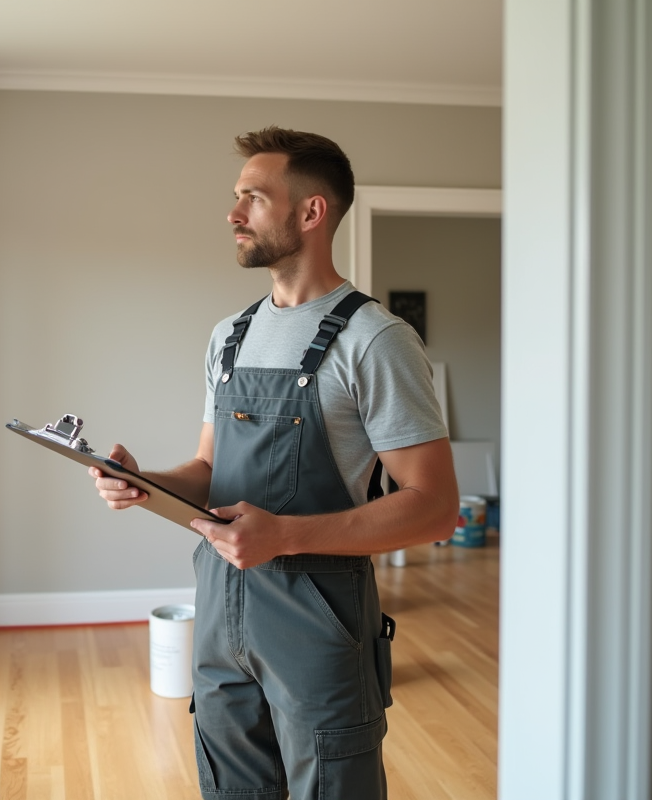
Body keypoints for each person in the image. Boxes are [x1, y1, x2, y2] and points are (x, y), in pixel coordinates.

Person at [90, 126, 458, 800]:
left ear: (311, 212)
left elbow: (435, 507)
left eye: (253, 198)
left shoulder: (376, 341)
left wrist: (283, 535)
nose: (234, 214)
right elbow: (208, 470)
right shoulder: (228, 336)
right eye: (238, 197)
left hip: (319, 622)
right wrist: (143, 483)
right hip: (220, 614)